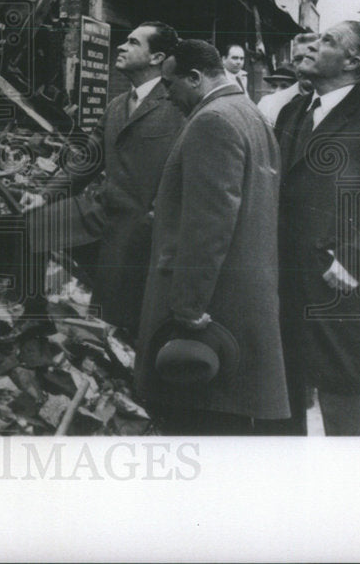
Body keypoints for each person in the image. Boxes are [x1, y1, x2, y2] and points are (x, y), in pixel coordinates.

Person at [135, 39, 290, 434]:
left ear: (195, 77)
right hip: (240, 304)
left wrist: (187, 306)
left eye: (171, 86)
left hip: (211, 313)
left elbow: (209, 224)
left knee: (200, 425)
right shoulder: (250, 114)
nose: (169, 97)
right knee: (227, 427)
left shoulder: (212, 120)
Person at [274, 21, 360, 435]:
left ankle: (353, 490)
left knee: (344, 393)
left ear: (353, 61)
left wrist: (353, 262)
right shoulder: (293, 111)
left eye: (327, 40)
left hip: (339, 283)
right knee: (286, 390)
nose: (313, 45)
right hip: (285, 277)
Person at [25, 22, 184, 334]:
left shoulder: (177, 106)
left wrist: (160, 216)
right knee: (33, 225)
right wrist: (44, 195)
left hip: (140, 224)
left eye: (132, 42)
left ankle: (117, 363)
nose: (121, 47)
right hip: (100, 209)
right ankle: (36, 321)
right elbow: (89, 160)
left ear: (156, 57)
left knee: (114, 313)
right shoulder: (116, 105)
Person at [256, 33, 319, 125]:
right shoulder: (270, 104)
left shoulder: (337, 102)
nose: (303, 66)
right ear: (293, 63)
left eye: (310, 58)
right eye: (298, 59)